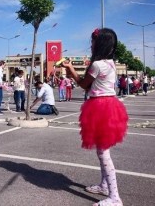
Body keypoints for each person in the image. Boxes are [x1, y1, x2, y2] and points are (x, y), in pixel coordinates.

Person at [61, 28, 128, 206]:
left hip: (100, 107)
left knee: (103, 153)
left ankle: (115, 198)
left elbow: (84, 84)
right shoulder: (110, 63)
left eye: (93, 42)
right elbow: (91, 85)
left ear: (100, 44)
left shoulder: (97, 65)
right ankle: (105, 186)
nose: (91, 45)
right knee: (103, 150)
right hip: (110, 105)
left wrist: (70, 69)